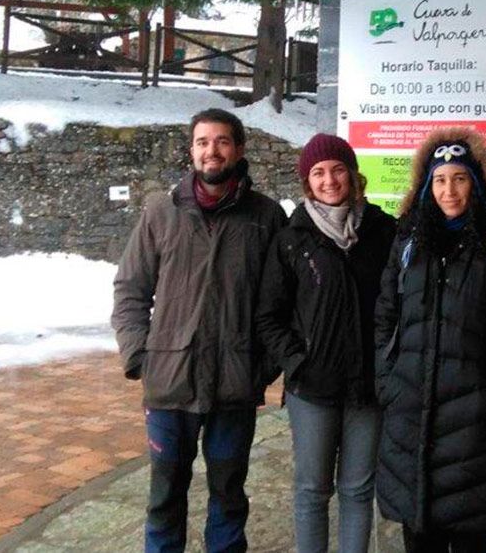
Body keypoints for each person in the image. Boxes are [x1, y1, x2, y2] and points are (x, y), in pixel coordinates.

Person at [112, 108, 287, 553]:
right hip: (170, 383)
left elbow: (284, 300)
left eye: (223, 141)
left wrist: (262, 366)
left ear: (239, 149)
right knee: (165, 497)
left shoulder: (264, 218)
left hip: (235, 384)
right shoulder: (161, 213)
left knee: (229, 496)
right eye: (203, 142)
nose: (212, 151)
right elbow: (131, 287)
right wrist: (139, 356)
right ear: (191, 150)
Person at [374, 127, 486, 553]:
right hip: (411, 422)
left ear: (478, 183)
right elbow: (384, 317)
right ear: (427, 187)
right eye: (440, 180)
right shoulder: (408, 246)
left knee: (471, 541)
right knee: (420, 539)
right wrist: (389, 384)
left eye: (460, 178)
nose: (450, 191)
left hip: (473, 430)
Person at [254, 133, 397, 553]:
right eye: (318, 172)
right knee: (313, 491)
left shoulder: (383, 231)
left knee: (357, 489)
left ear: (353, 175)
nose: (329, 180)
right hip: (312, 389)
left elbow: (401, 306)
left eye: (337, 169)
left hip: (368, 388)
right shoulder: (292, 239)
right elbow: (269, 315)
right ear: (307, 182)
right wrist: (297, 362)